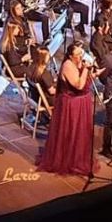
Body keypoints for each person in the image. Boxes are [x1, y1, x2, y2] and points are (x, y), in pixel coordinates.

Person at [36, 42, 102, 176]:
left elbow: (85, 83)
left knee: (80, 132)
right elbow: (78, 85)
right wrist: (85, 69)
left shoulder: (77, 63)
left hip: (81, 102)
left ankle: (77, 157)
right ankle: (68, 160)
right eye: (77, 55)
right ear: (70, 56)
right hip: (71, 105)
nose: (80, 57)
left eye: (81, 54)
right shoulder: (67, 65)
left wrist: (93, 74)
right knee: (70, 131)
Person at [0, 4, 35, 78]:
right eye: (17, 29)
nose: (19, 30)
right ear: (12, 30)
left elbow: (19, 41)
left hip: (15, 66)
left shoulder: (10, 39)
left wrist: (26, 41)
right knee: (35, 72)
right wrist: (24, 58)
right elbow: (13, 61)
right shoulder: (8, 44)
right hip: (13, 69)